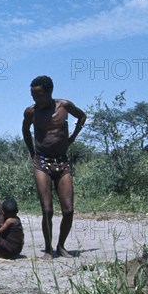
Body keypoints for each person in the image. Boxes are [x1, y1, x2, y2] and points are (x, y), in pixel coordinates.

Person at [21, 75, 86, 258]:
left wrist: (72, 138)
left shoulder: (64, 106)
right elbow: (25, 130)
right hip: (41, 162)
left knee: (68, 210)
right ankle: (48, 249)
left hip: (62, 161)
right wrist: (31, 151)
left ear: (49, 92)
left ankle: (61, 246)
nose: (35, 99)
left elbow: (82, 116)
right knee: (47, 210)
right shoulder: (31, 112)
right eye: (33, 95)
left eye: (39, 95)